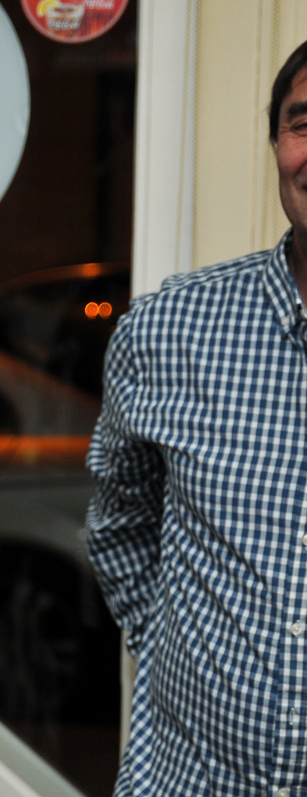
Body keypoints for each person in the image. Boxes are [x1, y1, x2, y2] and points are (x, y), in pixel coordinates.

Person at [86, 40, 307, 797]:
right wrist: (179, 652)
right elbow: (120, 521)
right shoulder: (170, 329)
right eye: (302, 122)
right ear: (276, 144)